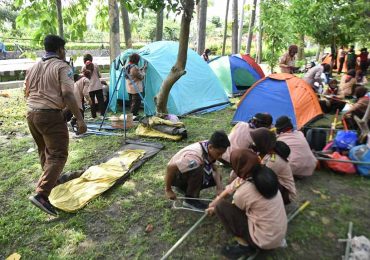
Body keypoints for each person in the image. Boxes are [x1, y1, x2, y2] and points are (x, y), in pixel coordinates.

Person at [25, 35, 87, 217]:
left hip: (31, 113)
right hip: (50, 114)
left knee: (45, 151)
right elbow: (68, 93)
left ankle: (52, 183)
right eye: (64, 50)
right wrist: (80, 119)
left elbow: (26, 91)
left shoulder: (33, 66)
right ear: (60, 50)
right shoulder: (62, 66)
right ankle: (42, 194)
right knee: (58, 154)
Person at [206, 152, 287, 259]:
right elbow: (234, 185)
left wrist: (215, 207)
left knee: (221, 207)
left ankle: (245, 245)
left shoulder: (245, 191)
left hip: (263, 241)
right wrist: (216, 199)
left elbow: (236, 209)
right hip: (277, 235)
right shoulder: (265, 175)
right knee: (221, 203)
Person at [164, 130, 230, 210]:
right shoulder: (194, 157)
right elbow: (170, 167)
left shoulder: (209, 146)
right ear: (210, 147)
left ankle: (185, 188)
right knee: (198, 168)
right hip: (176, 176)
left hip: (185, 171)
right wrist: (168, 189)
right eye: (219, 153)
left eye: (222, 154)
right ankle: (190, 201)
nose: (220, 157)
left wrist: (219, 188)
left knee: (216, 178)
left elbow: (215, 168)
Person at [249, 128, 296, 204]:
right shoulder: (268, 150)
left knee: (255, 184)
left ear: (262, 143)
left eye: (255, 141)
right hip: (277, 184)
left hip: (286, 194)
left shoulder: (274, 160)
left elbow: (262, 177)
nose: (253, 143)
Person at [83, 54, 104, 118]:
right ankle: (102, 114)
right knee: (100, 101)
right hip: (97, 86)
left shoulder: (83, 67)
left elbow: (84, 77)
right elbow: (99, 75)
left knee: (92, 102)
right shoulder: (95, 65)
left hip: (90, 87)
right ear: (91, 59)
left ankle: (93, 115)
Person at [125, 53, 147, 119]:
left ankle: (133, 115)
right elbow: (141, 76)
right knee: (136, 103)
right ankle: (132, 117)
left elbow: (133, 74)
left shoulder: (128, 65)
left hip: (129, 87)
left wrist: (140, 69)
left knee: (132, 102)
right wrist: (144, 70)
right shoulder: (134, 67)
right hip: (136, 88)